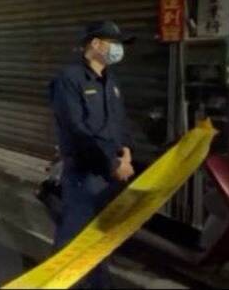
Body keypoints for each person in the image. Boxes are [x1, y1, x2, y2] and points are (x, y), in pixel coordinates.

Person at [48, 21, 136, 289]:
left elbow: (120, 122)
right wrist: (112, 163)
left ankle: (99, 284)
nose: (119, 49)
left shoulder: (111, 80)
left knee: (100, 237)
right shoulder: (69, 79)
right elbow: (77, 130)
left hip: (111, 173)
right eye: (114, 43)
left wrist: (126, 152)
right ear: (95, 44)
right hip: (84, 174)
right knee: (73, 240)